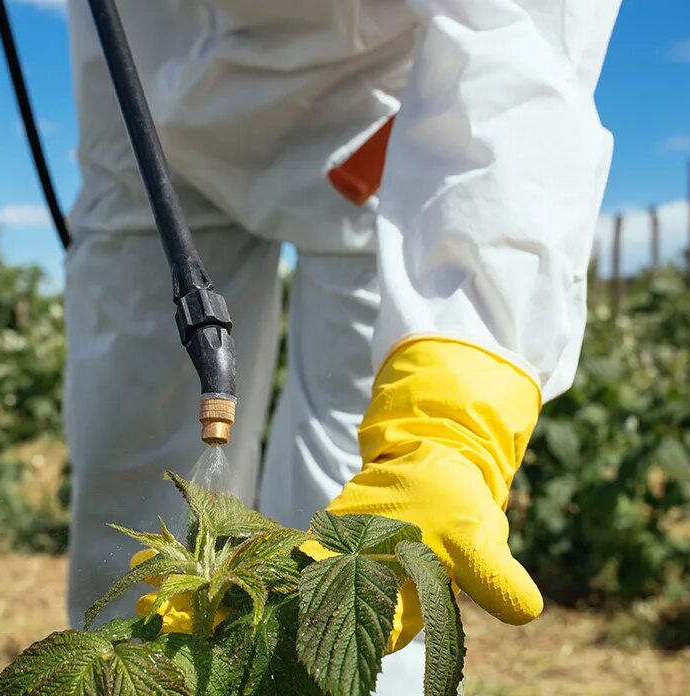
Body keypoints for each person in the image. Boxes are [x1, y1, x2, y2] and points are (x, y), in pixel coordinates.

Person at [62, 0, 621, 690]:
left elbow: (523, 45)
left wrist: (451, 411)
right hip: (140, 82)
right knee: (131, 482)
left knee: (355, 505)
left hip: (372, 119)